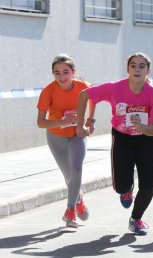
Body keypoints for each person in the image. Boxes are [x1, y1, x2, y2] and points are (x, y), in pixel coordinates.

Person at [76, 52, 153, 235]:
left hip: (147, 140)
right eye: (133, 65)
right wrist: (81, 124)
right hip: (122, 138)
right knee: (121, 186)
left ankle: (136, 219)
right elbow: (84, 95)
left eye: (142, 66)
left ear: (148, 71)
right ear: (127, 69)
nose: (137, 69)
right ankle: (126, 190)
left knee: (148, 185)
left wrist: (141, 126)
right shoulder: (115, 88)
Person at [37, 54, 95, 228]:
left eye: (65, 72)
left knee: (77, 169)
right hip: (56, 137)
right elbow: (40, 122)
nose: (61, 77)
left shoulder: (83, 87)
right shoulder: (48, 91)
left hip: (78, 134)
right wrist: (61, 122)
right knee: (69, 175)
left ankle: (69, 211)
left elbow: (94, 101)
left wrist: (90, 121)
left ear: (73, 72)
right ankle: (79, 200)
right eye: (57, 73)